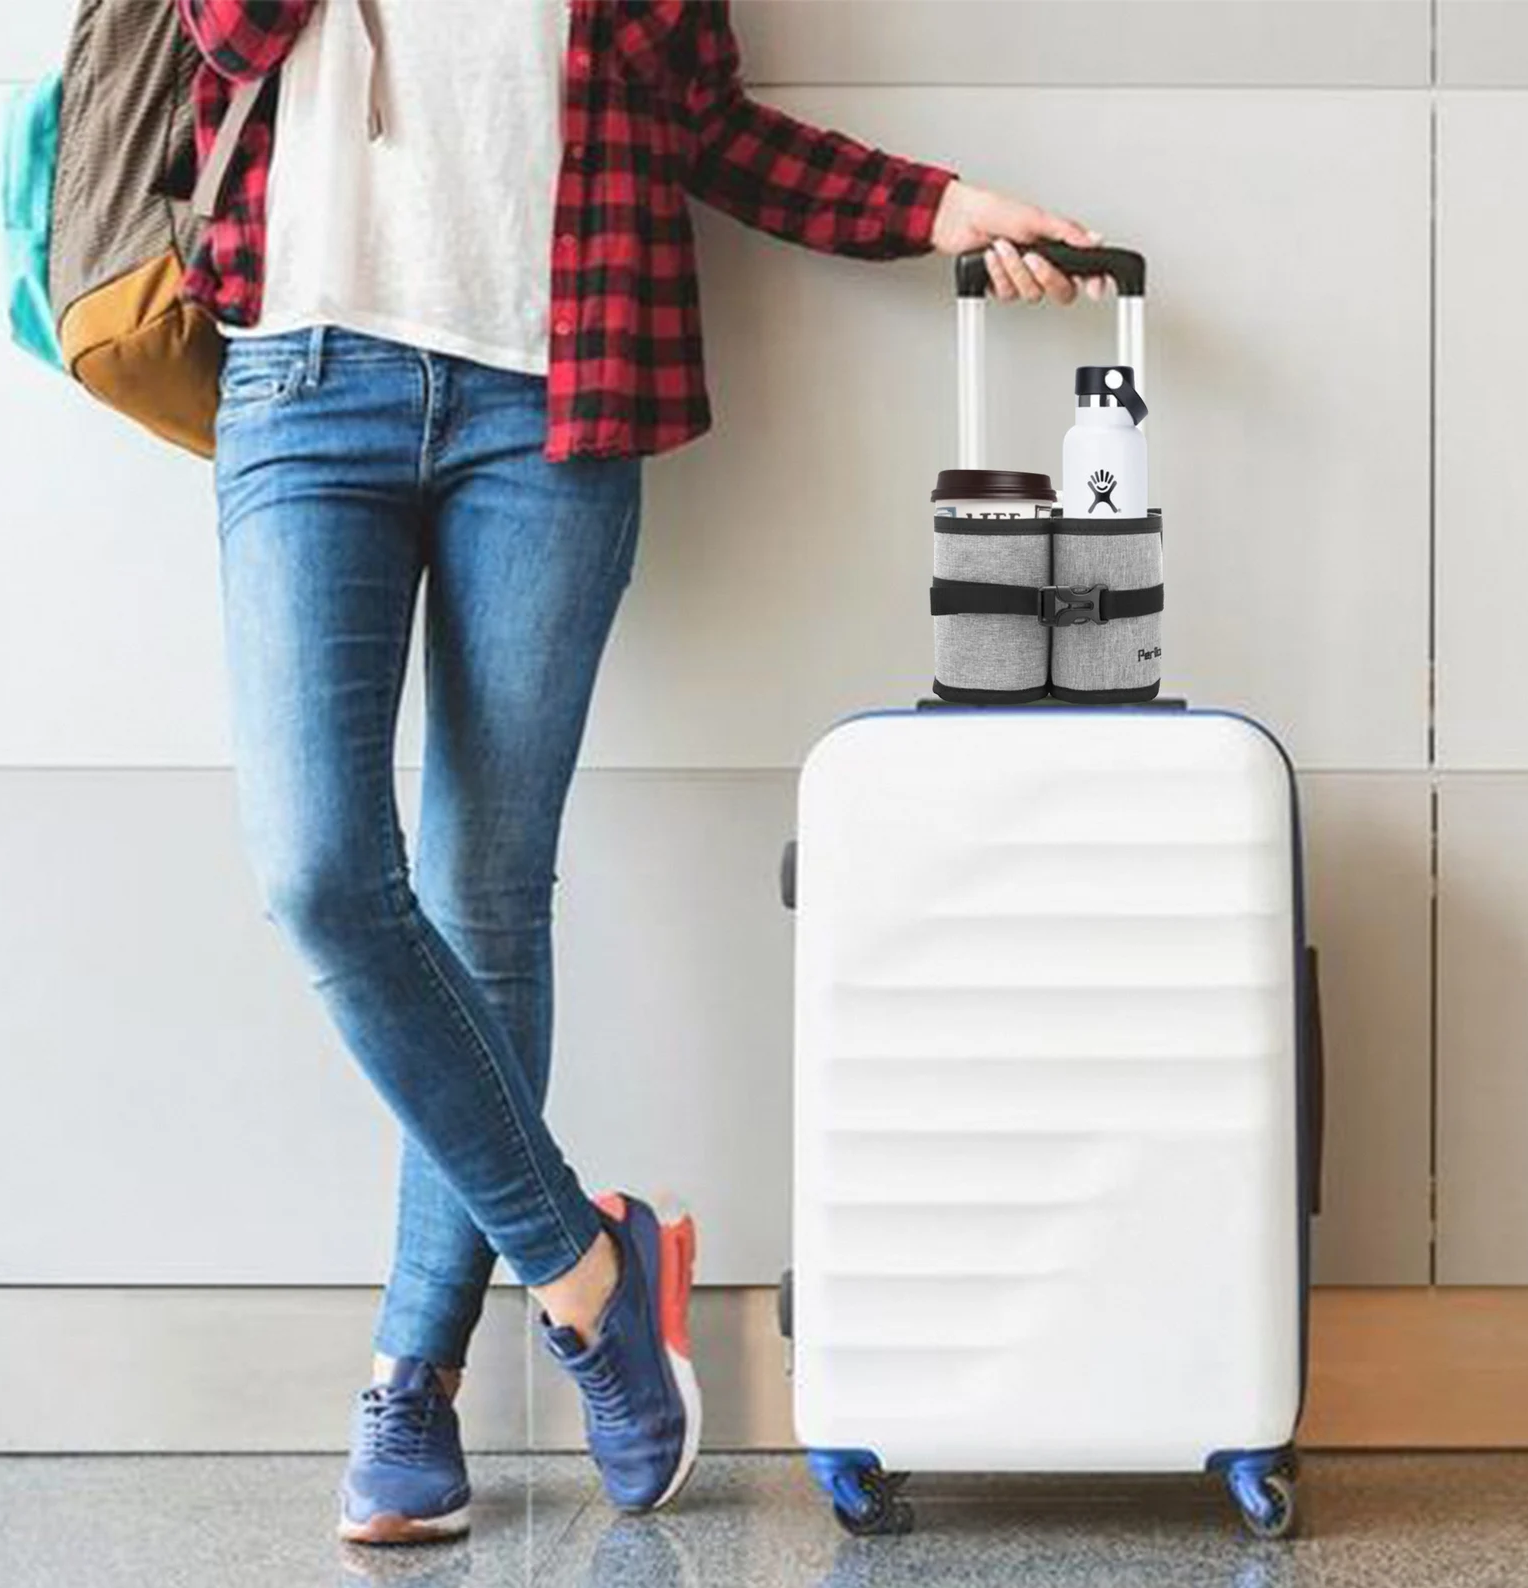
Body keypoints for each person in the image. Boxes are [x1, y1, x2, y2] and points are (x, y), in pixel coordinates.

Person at [173, 0, 1106, 1547]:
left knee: (483, 899)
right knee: (321, 874)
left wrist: (937, 207)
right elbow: (224, 29)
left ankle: (414, 1381)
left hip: (552, 405)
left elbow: (707, 126)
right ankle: (588, 1268)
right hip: (304, 380)